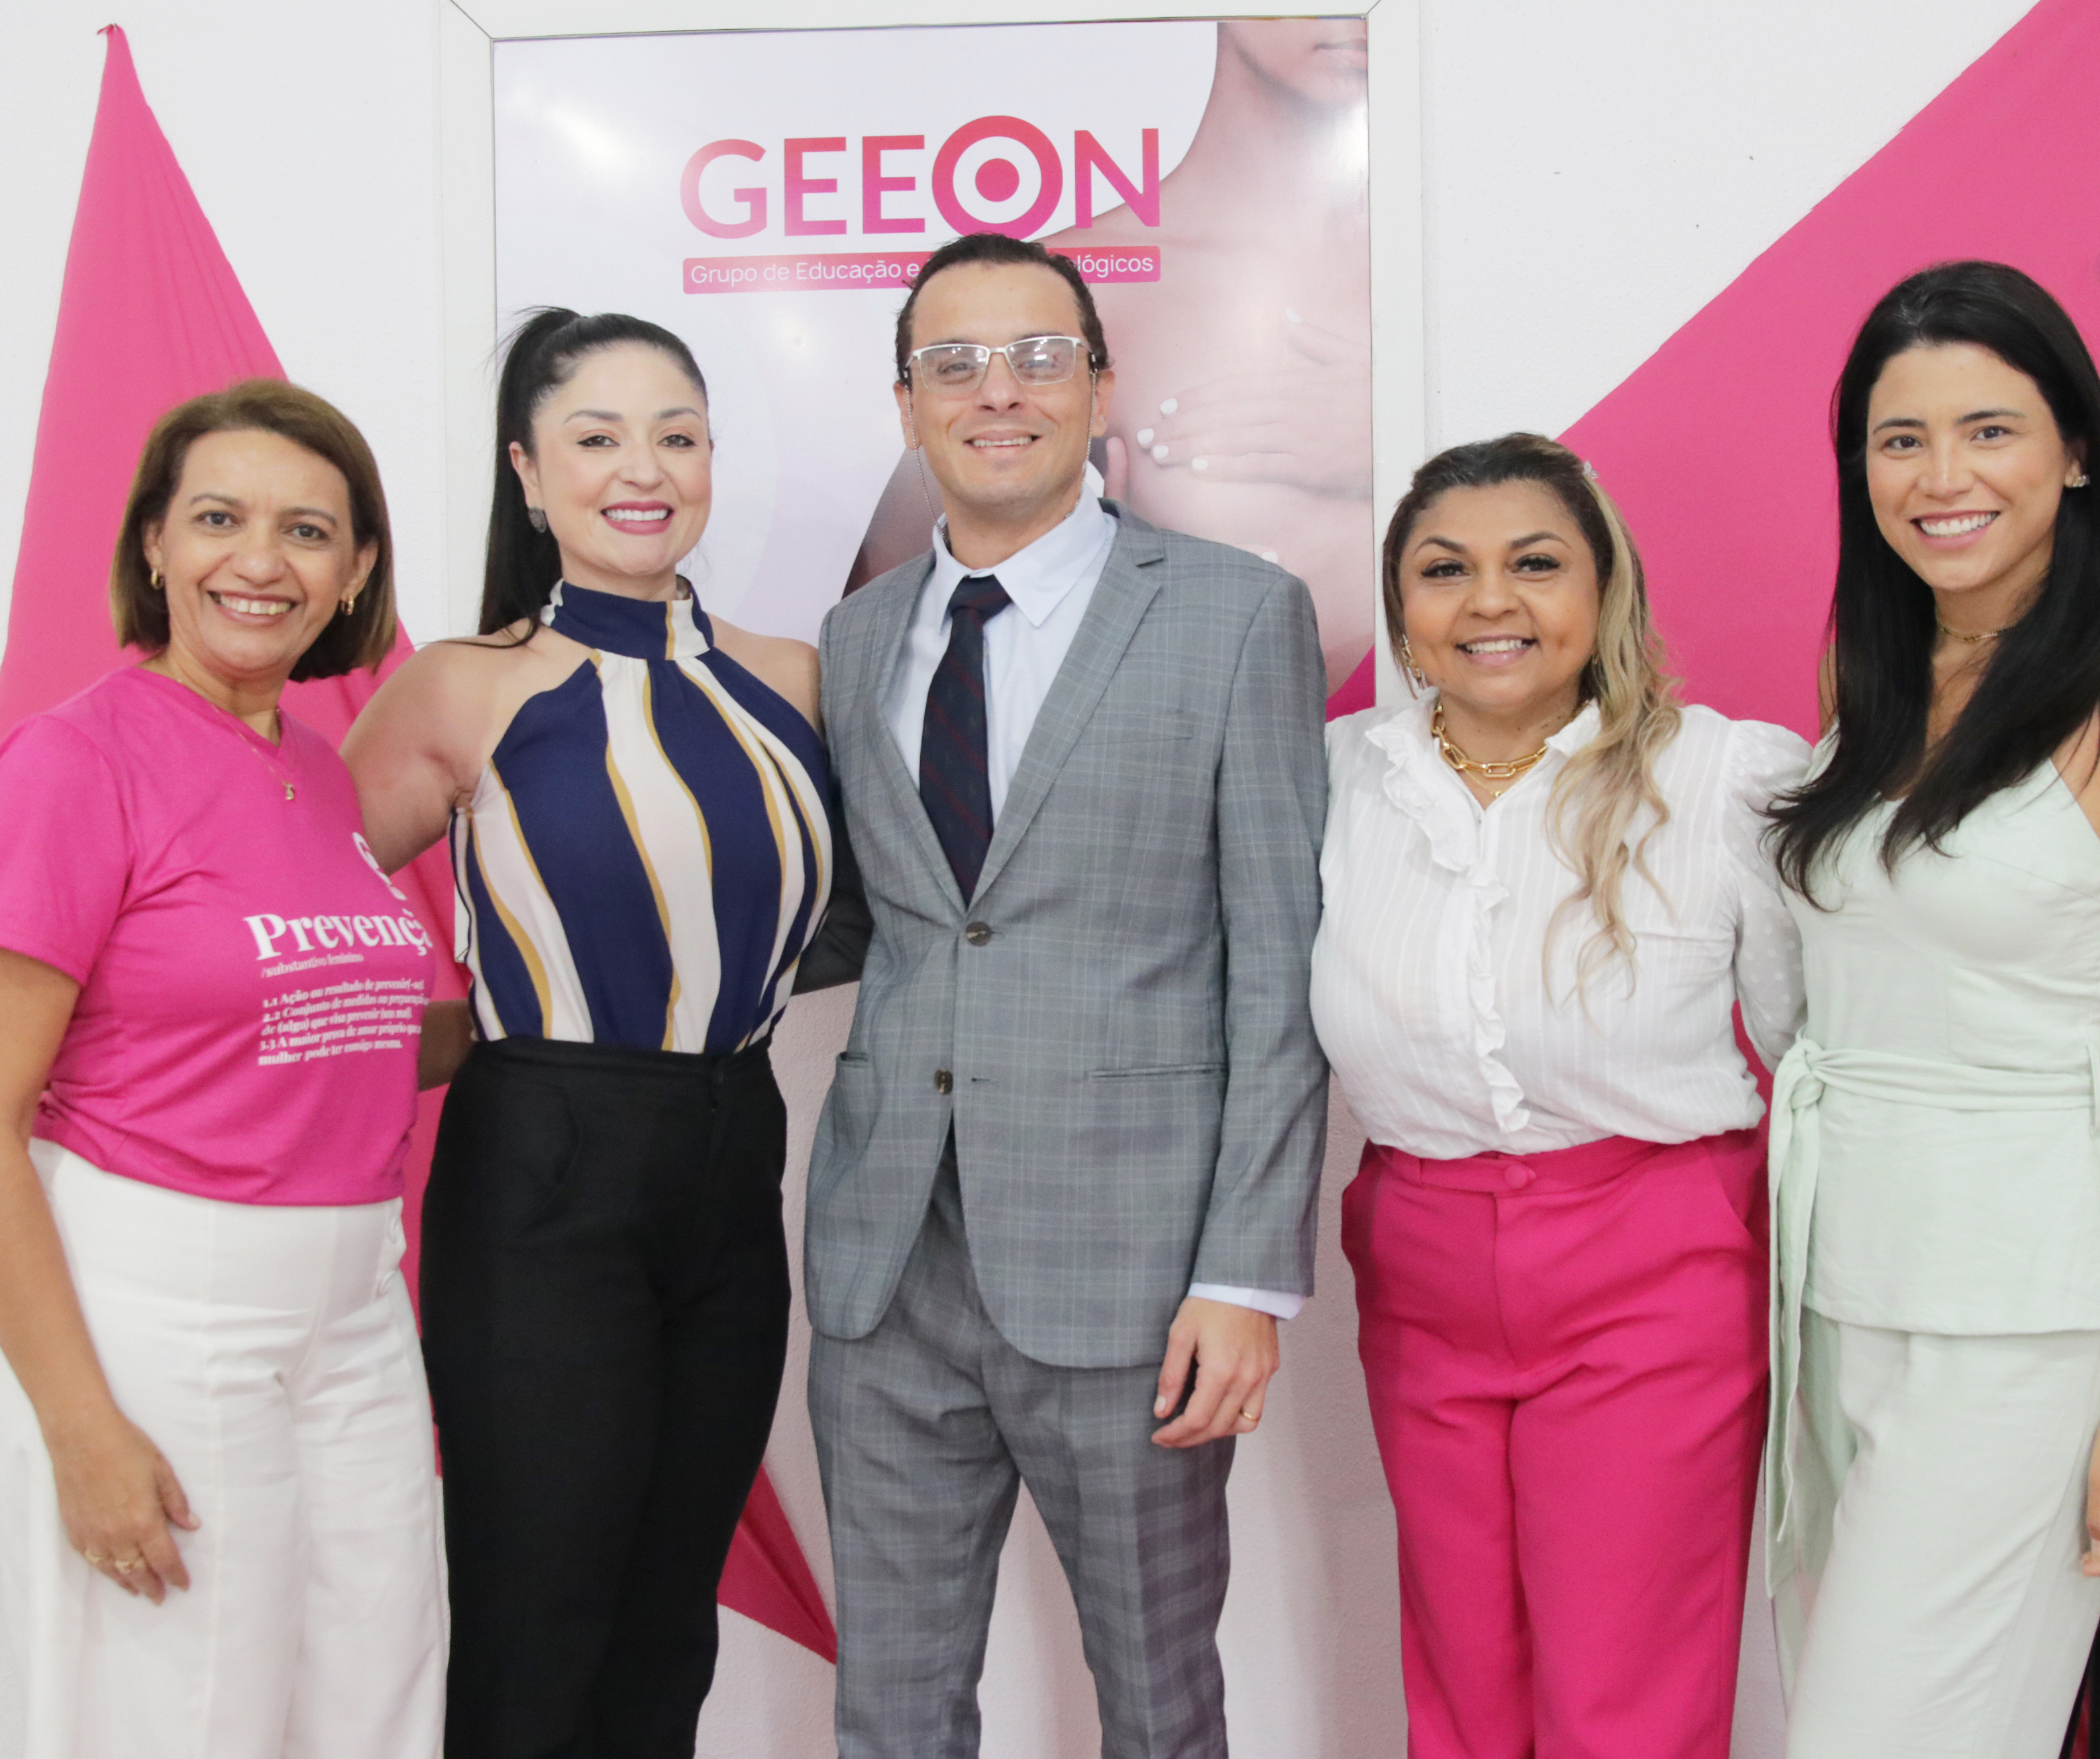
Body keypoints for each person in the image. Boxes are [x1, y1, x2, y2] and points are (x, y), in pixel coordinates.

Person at [806, 230, 1329, 1758]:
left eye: (1040, 356)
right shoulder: (856, 635)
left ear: (1101, 386)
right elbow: (875, 917)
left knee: (1158, 1704)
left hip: (1134, 1276)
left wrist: (1246, 1274)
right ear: (907, 404)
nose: (1000, 392)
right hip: (887, 1267)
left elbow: (1277, 959)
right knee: (889, 1709)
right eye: (956, 363)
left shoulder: (1236, 613)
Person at [1762, 260, 2100, 1755]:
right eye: (1899, 438)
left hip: (2021, 1317)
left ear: (2076, 453)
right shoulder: (1866, 670)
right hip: (1836, 1288)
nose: (1941, 477)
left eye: (1988, 430)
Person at [340, 310, 835, 1758]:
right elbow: (277, 913)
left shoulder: (792, 677)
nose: (644, 469)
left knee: (670, 1617)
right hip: (542, 1170)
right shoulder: (466, 684)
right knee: (536, 1611)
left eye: (676, 436)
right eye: (597, 437)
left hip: (736, 1161)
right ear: (527, 471)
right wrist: (445, 1037)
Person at [0, 381, 443, 1758]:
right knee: (181, 1714)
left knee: (378, 1699)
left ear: (357, 570)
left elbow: (322, 1025)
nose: (259, 561)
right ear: (153, 543)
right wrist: (78, 1424)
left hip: (356, 1301)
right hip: (164, 1299)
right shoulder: (73, 760)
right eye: (218, 518)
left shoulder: (322, 773)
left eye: (307, 531)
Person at [1313, 433, 1809, 1758]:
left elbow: (1808, 1040)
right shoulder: (1334, 779)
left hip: (1652, 1264)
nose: (1491, 601)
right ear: (1401, 611)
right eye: (1443, 570)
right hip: (1418, 1262)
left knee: (1619, 1694)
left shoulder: (1722, 778)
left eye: (1535, 564)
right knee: (1463, 1681)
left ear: (1603, 590)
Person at [849, 20, 1375, 690]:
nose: (1341, 14)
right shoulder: (1054, 293)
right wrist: (1091, 582)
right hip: (1168, 739)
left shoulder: (1445, 265)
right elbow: (881, 642)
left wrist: (1387, 444)